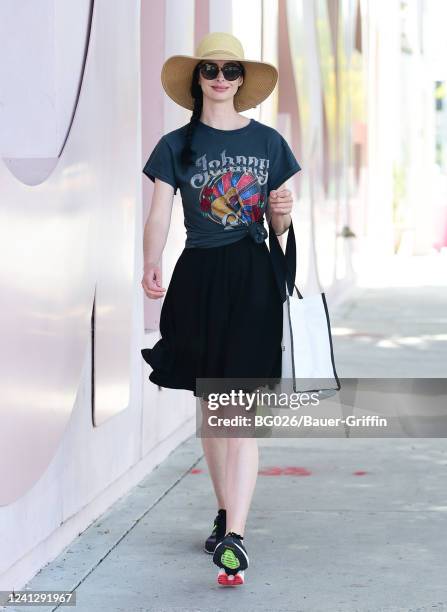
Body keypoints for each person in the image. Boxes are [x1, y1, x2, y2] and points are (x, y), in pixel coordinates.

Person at [140, 32, 302, 587]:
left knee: (239, 412)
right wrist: (151, 260)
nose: (220, 78)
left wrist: (281, 212)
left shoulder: (268, 143)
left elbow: (279, 224)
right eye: (210, 68)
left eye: (231, 69)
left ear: (241, 80)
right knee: (213, 409)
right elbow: (160, 212)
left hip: (254, 275)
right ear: (197, 78)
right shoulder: (175, 145)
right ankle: (225, 512)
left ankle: (235, 535)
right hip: (200, 278)